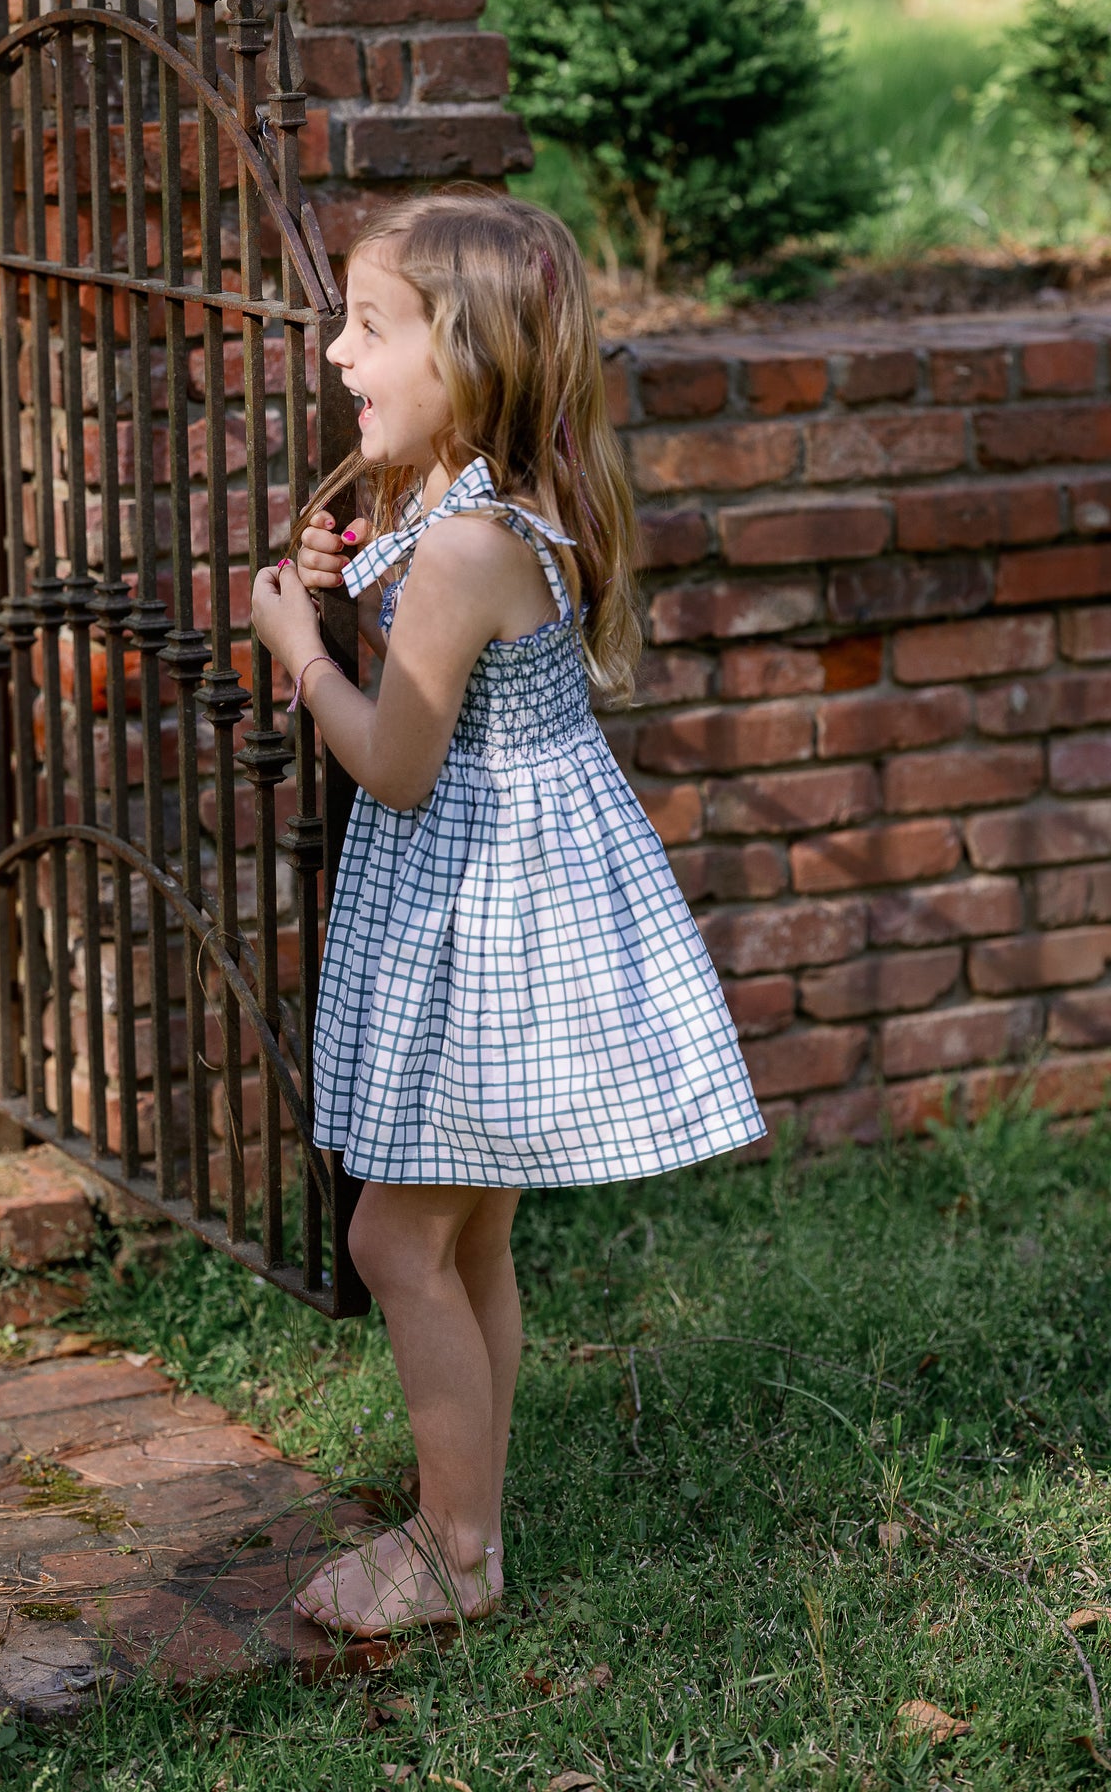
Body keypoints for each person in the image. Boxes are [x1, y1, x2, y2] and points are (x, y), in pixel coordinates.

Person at [250, 187, 765, 1640]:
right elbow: (443, 677)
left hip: (483, 925)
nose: (335, 356)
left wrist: (299, 646)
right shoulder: (480, 509)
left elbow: (398, 767)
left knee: (392, 1245)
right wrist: (363, 582)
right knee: (468, 1241)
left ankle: (456, 1551)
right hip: (503, 902)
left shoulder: (468, 541)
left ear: (468, 357)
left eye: (368, 329)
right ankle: (467, 1526)